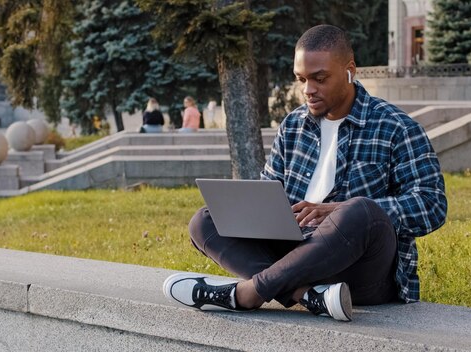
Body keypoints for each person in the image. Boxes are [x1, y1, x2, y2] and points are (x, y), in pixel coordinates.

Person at [163, 25, 447, 321]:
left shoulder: (396, 126)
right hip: (294, 255)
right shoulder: (293, 125)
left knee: (361, 211)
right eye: (301, 79)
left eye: (319, 78)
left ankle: (246, 294)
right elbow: (268, 194)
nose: (308, 89)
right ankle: (307, 295)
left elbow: (432, 205)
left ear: (350, 70)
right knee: (204, 220)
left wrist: (338, 211)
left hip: (360, 270)